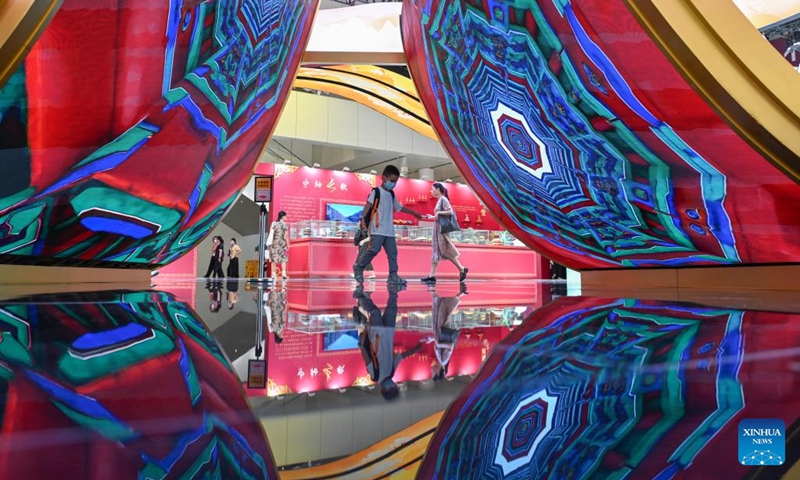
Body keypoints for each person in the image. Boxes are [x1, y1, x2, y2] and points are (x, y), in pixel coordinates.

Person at [353, 165, 422, 285]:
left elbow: (399, 207)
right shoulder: (376, 191)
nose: (393, 184)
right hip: (377, 228)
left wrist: (414, 212)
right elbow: (368, 205)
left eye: (395, 182)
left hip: (389, 230)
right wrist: (362, 218)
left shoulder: (391, 194)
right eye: (391, 181)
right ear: (383, 178)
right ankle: (359, 266)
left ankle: (393, 276)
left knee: (393, 253)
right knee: (374, 249)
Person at [354, 284, 422, 401]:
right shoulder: (391, 373)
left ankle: (360, 296)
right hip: (389, 331)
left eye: (389, 388)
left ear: (383, 390)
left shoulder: (375, 376)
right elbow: (400, 357)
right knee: (392, 307)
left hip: (377, 334)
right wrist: (415, 350)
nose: (391, 385)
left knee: (374, 312)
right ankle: (393, 284)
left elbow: (368, 360)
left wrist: (361, 347)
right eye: (394, 387)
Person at [421, 183, 468, 283]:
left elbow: (450, 211)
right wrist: (432, 217)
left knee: (443, 250)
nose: (431, 191)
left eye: (433, 189)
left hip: (441, 230)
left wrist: (438, 213)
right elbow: (441, 217)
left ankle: (461, 269)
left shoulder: (443, 199)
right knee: (438, 251)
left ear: (438, 189)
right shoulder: (440, 200)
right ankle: (432, 275)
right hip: (438, 229)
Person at [427, 284, 467, 382]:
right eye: (432, 373)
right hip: (441, 329)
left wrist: (432, 340)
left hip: (439, 330)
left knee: (442, 311)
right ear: (437, 372)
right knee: (441, 310)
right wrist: (438, 343)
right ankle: (432, 287)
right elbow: (450, 346)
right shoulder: (443, 360)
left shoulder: (441, 360)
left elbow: (439, 342)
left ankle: (460, 294)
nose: (431, 371)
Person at [269, 211, 290, 281]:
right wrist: (288, 243)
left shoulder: (274, 223)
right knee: (283, 257)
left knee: (273, 258)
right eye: (285, 216)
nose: (286, 217)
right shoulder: (284, 224)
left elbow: (271, 233)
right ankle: (284, 273)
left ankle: (273, 274)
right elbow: (286, 235)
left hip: (274, 243)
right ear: (283, 216)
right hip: (281, 243)